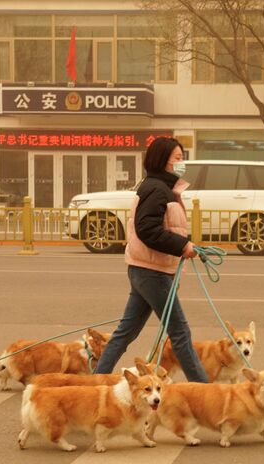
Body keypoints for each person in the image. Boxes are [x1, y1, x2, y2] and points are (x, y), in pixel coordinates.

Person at [93, 137, 209, 383]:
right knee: (180, 332)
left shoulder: (162, 188)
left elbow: (158, 227)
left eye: (182, 158)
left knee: (125, 332)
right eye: (177, 158)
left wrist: (184, 246)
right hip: (152, 272)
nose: (182, 162)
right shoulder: (157, 189)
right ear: (162, 160)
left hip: (147, 269)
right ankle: (203, 390)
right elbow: (147, 230)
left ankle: (96, 381)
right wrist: (182, 245)